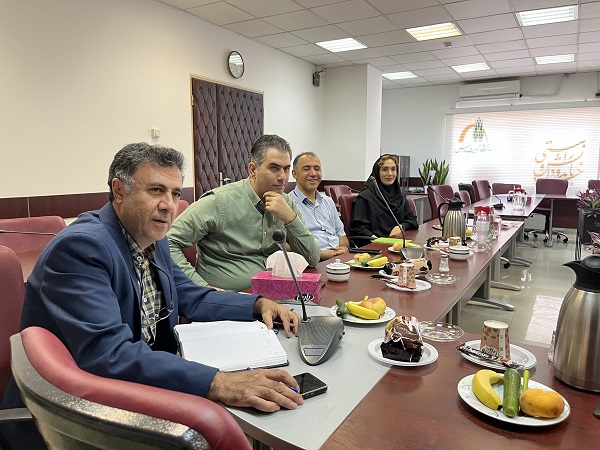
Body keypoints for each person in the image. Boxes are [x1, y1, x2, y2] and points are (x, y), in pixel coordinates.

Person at [0, 143, 303, 450]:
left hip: (134, 383)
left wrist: (257, 305)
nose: (169, 205)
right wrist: (219, 382)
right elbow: (110, 355)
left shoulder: (150, 236)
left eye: (175, 193)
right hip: (74, 419)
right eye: (157, 190)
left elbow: (189, 295)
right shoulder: (81, 248)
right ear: (119, 191)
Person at [167, 134, 320, 291]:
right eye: (274, 168)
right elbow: (168, 242)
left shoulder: (287, 204)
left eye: (286, 169)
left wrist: (290, 219)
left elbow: (313, 259)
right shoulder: (219, 201)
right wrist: (201, 288)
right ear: (253, 170)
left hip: (275, 293)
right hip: (228, 298)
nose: (282, 177)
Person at [290, 152, 350, 260]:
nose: (313, 173)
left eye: (317, 169)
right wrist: (319, 254)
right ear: (294, 174)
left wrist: (344, 248)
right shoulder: (287, 204)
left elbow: (341, 234)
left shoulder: (328, 201)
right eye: (306, 169)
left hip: (340, 259)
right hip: (311, 262)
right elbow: (284, 245)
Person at [350, 154, 418, 240]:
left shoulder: (399, 196)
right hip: (375, 244)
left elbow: (412, 220)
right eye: (385, 169)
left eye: (393, 169)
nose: (390, 174)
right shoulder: (365, 197)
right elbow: (358, 227)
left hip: (398, 243)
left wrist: (401, 226)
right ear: (377, 172)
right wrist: (376, 240)